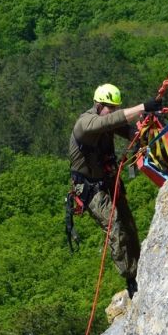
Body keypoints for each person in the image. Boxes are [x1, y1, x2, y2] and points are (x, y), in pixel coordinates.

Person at [68, 83, 161, 298]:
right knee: (115, 223)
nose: (114, 111)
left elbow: (130, 131)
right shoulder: (86, 123)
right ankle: (130, 277)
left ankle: (139, 268)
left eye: (116, 107)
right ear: (99, 105)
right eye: (111, 107)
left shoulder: (107, 119)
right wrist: (142, 107)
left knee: (128, 223)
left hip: (109, 180)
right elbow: (109, 121)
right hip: (90, 188)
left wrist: (148, 123)